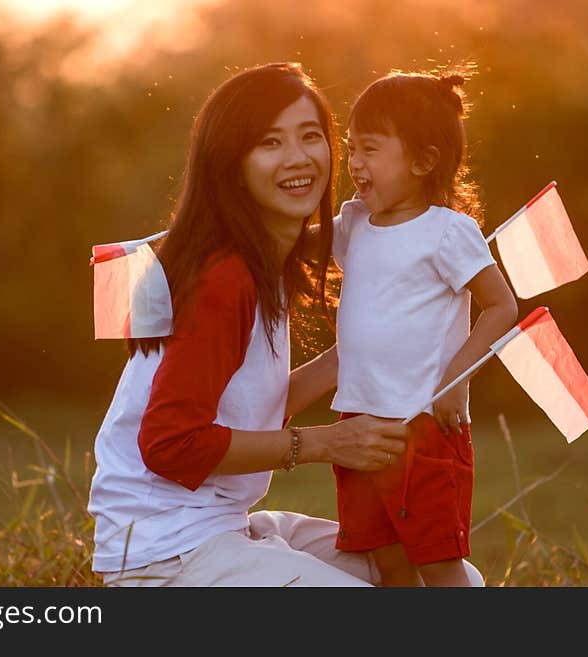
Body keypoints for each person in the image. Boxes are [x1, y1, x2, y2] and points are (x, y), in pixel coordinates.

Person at [87, 62, 483, 587]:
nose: (298, 158)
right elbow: (168, 445)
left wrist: (376, 352)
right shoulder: (223, 279)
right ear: (232, 163)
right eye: (270, 142)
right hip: (164, 550)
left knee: (450, 580)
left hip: (224, 525)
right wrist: (323, 444)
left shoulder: (264, 264)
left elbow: (254, 401)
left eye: (311, 136)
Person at [330, 70, 519, 586]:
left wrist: (456, 378)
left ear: (422, 161)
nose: (355, 164)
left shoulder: (448, 232)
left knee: (436, 562)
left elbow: (502, 306)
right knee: (386, 561)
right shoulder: (354, 225)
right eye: (351, 149)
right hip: (359, 424)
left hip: (425, 427)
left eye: (369, 149)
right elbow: (285, 245)